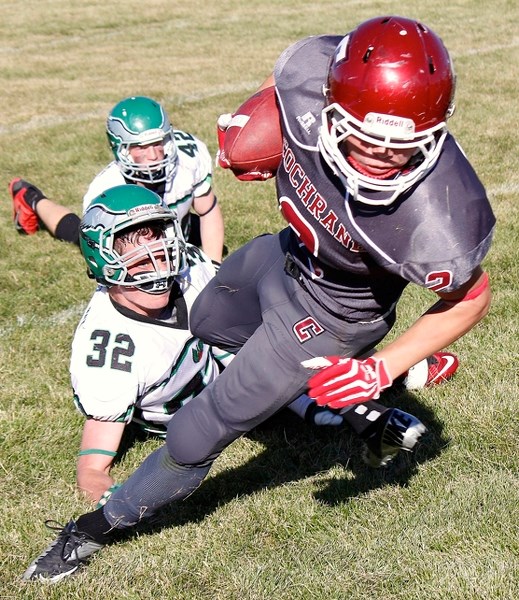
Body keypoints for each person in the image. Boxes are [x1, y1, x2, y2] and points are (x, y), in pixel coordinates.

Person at [23, 16, 495, 582]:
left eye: (403, 147)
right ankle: (353, 410)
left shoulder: (441, 216)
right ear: (328, 103)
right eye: (363, 137)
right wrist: (258, 129)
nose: (380, 158)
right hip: (283, 255)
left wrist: (382, 366)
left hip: (328, 315)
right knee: (208, 320)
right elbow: (279, 102)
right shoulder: (306, 83)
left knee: (200, 427)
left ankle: (91, 531)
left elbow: (472, 297)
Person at [64, 184, 342, 507]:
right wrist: (114, 500)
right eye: (141, 263)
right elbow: (91, 468)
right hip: (186, 414)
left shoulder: (188, 271)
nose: (160, 268)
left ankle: (376, 373)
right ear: (104, 265)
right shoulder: (111, 347)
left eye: (163, 251)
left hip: (223, 363)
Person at [8, 95, 225, 263]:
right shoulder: (106, 190)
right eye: (140, 146)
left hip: (174, 222)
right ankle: (31, 198)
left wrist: (214, 267)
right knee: (81, 235)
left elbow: (207, 210)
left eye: (157, 142)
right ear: (121, 149)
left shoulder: (188, 157)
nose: (153, 155)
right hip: (134, 235)